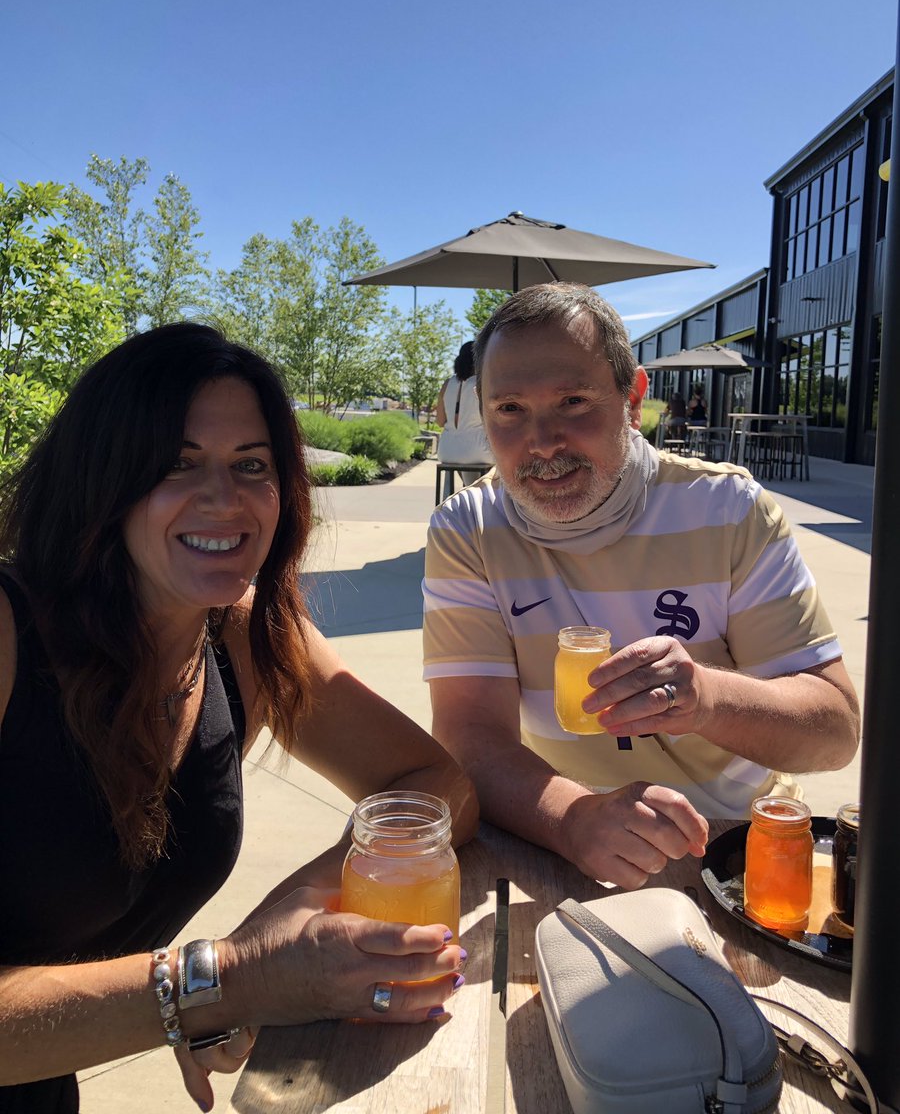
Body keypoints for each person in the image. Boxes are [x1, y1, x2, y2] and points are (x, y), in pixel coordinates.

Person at [0, 324, 477, 1114]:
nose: (223, 500)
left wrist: (286, 922)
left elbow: (436, 785)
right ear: (99, 482)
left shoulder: (245, 635)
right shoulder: (11, 633)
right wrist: (224, 980)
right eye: (176, 465)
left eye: (251, 466)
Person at [422, 282, 859, 893]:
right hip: (555, 831)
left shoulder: (728, 509)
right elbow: (470, 737)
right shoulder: (469, 527)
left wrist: (706, 698)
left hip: (735, 842)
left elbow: (835, 731)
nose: (543, 442)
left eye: (573, 401)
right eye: (510, 410)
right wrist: (573, 818)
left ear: (633, 400)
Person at [435, 341, 492, 499]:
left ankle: (460, 498)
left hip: (447, 450)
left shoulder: (447, 384)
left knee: (464, 455)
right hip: (478, 450)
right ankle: (482, 503)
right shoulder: (483, 384)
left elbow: (440, 421)